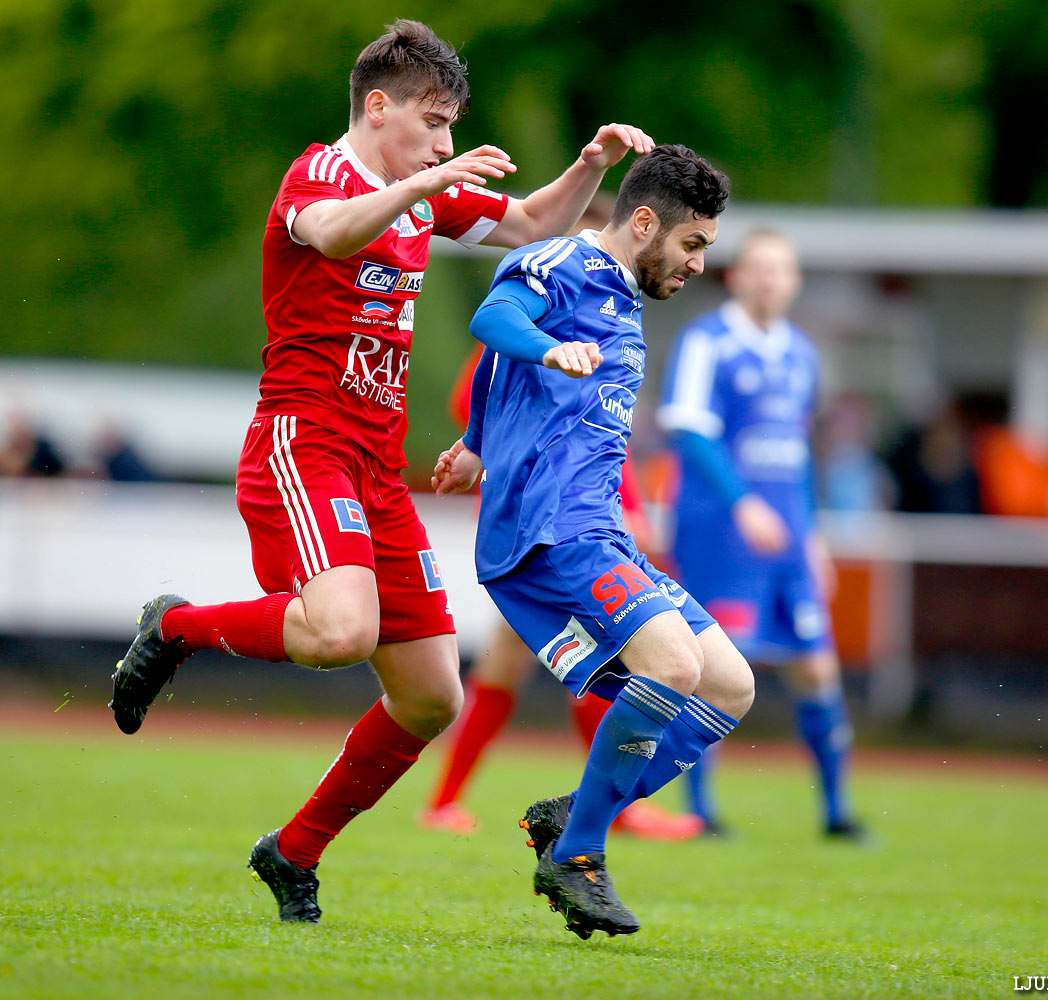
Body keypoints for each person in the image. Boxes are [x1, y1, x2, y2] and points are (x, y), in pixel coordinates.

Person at [108, 18, 654, 924]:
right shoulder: (323, 173)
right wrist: (432, 180)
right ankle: (179, 628)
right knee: (338, 633)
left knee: (431, 695)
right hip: (304, 440)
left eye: (448, 129)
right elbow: (326, 236)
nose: (444, 143)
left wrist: (589, 164)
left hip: (373, 464)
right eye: (432, 123)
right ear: (377, 106)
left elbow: (528, 222)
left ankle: (292, 851)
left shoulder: (414, 190)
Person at [431, 144, 750, 939]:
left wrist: (475, 441)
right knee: (670, 666)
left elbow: (501, 384)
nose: (699, 263)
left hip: (598, 529)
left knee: (729, 685)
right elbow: (492, 320)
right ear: (643, 223)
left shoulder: (622, 295)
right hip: (552, 531)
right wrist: (544, 349)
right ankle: (577, 855)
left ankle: (572, 817)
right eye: (692, 244)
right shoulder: (564, 260)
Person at [420, 342, 701, 841]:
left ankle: (445, 802)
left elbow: (608, 441)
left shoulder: (608, 323)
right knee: (606, 658)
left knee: (527, 663)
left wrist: (627, 509)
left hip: (584, 526)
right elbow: (471, 401)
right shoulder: (540, 313)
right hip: (545, 528)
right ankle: (611, 809)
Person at [656, 229, 865, 841]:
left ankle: (835, 811)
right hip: (720, 535)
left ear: (795, 281)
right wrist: (742, 503)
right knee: (716, 669)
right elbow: (689, 431)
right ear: (737, 277)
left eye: (783, 270)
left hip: (789, 540)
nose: (772, 280)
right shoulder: (708, 342)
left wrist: (814, 534)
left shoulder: (801, 351)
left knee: (816, 668)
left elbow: (797, 453)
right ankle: (699, 807)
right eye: (760, 269)